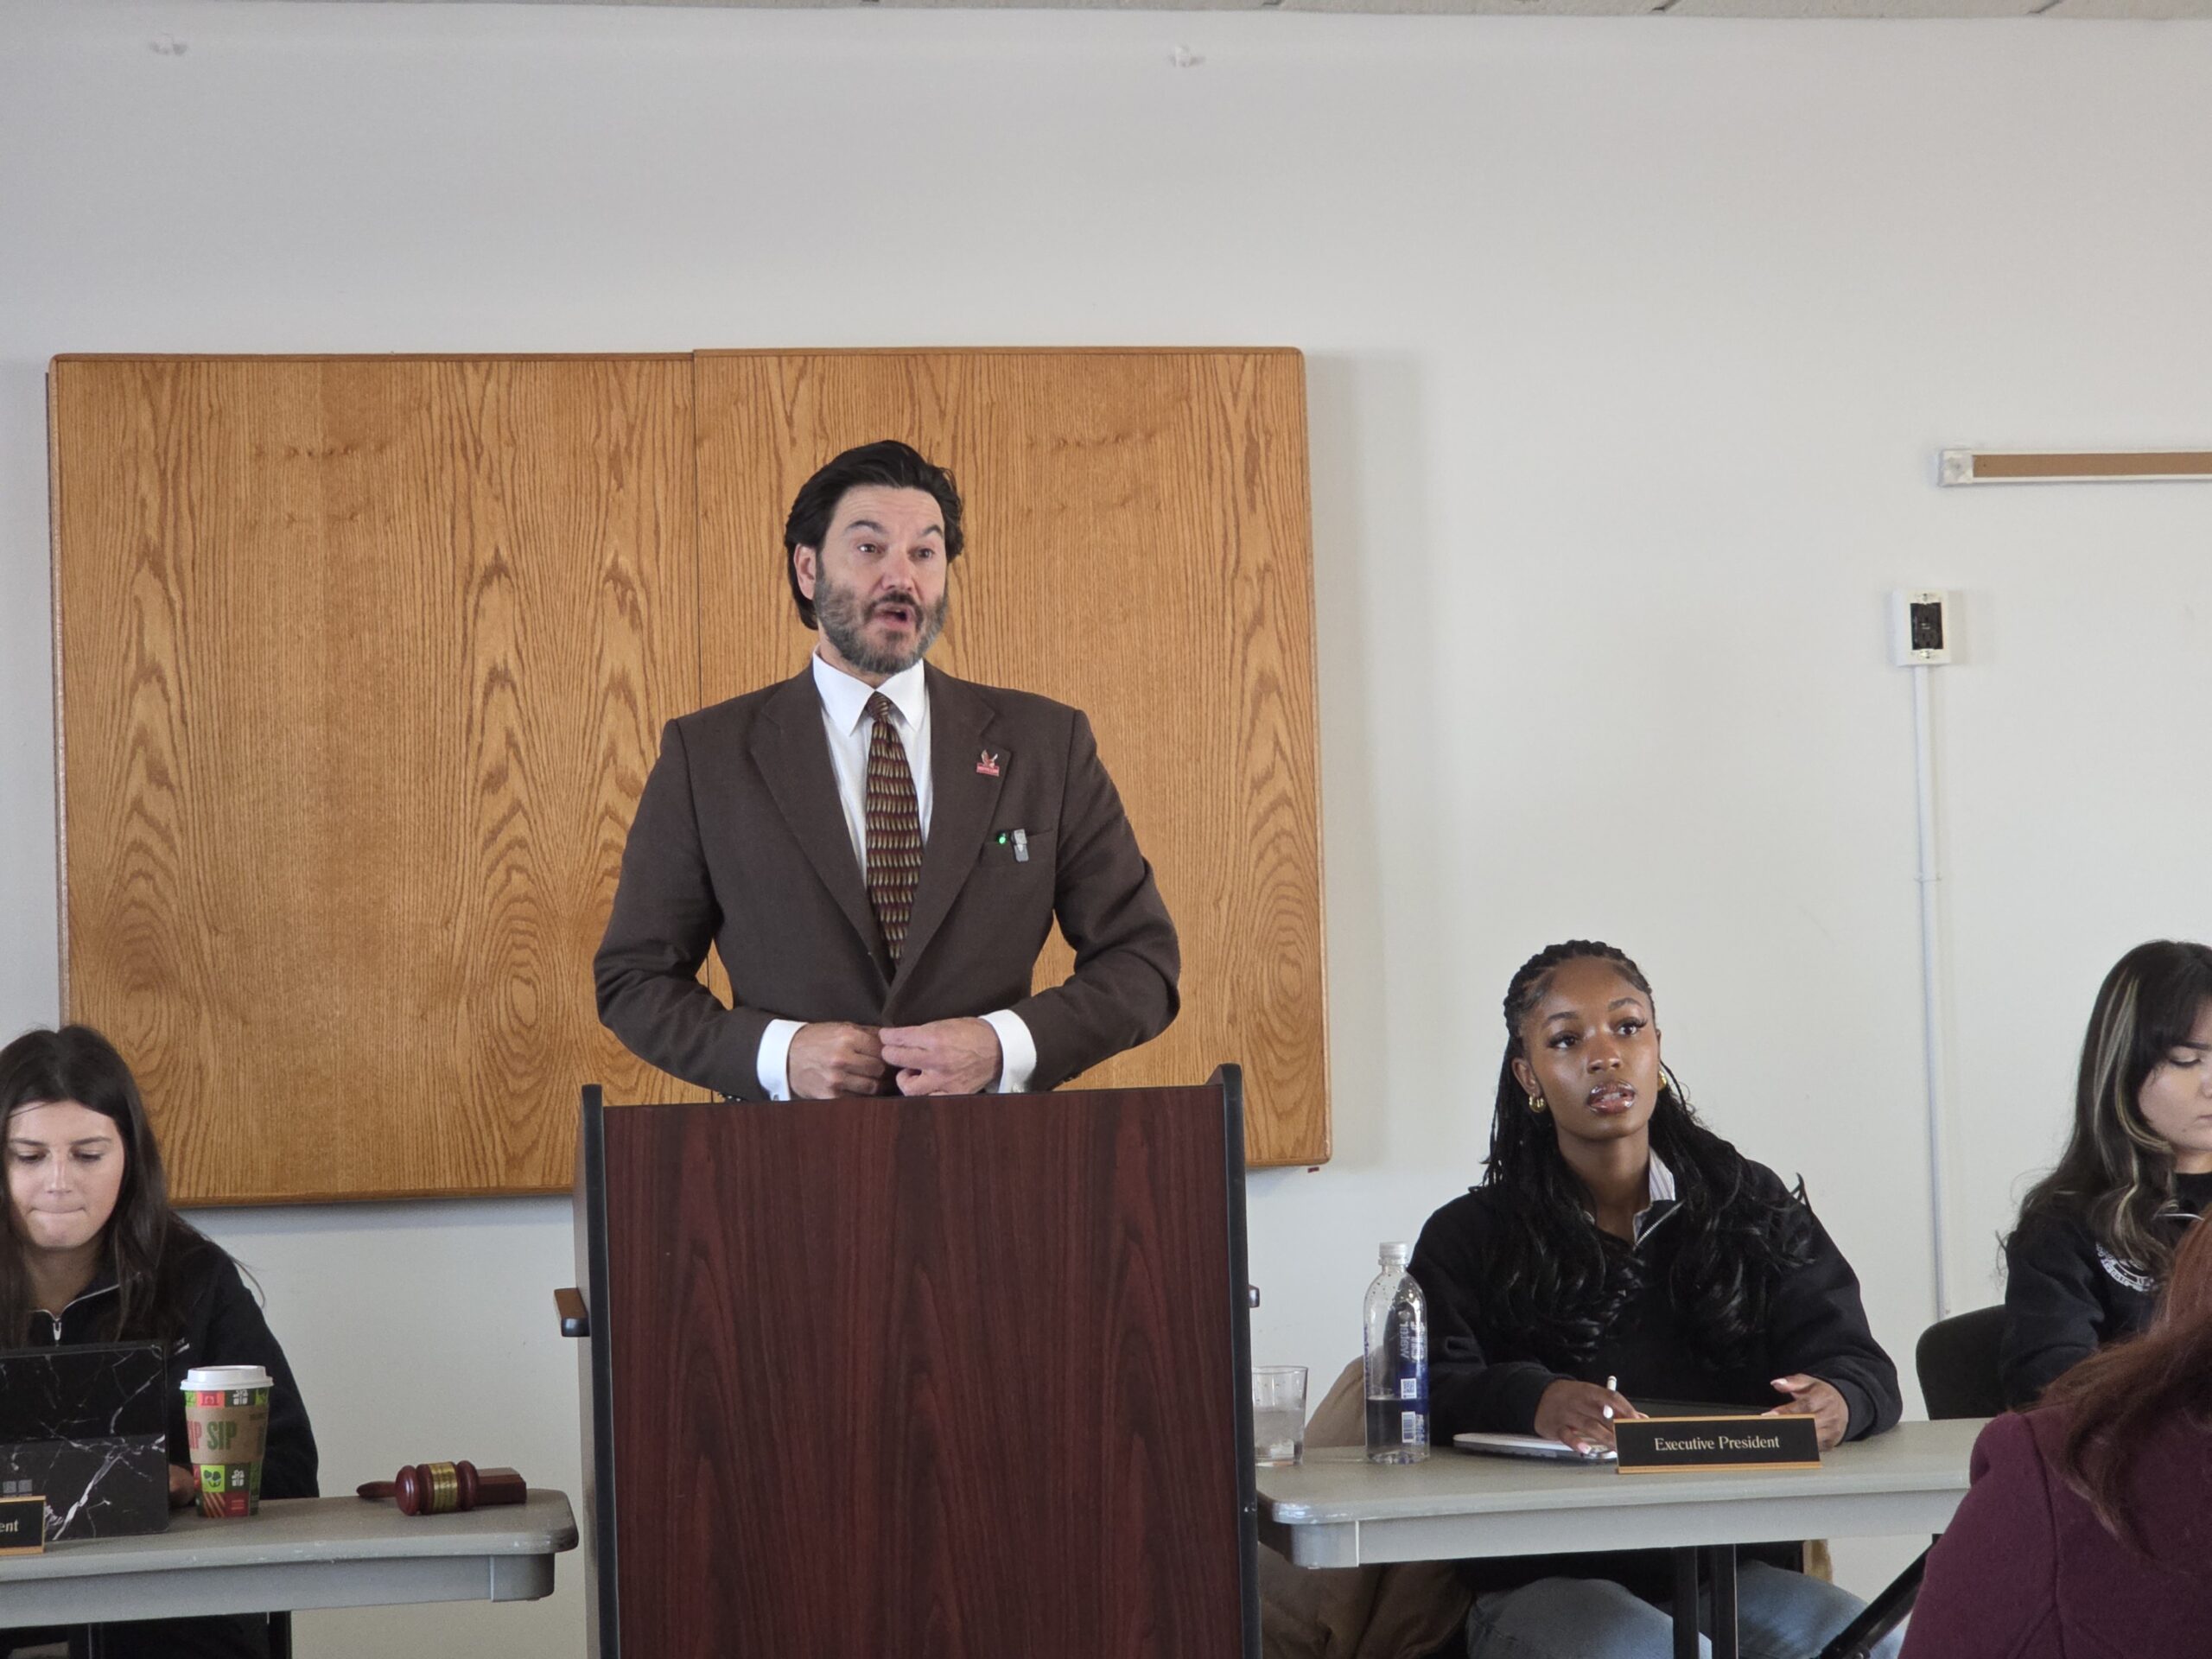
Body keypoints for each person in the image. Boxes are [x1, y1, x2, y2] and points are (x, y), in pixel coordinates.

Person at [595, 439, 1179, 1102]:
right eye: (871, 549)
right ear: (809, 569)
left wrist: (1000, 1047)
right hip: (777, 1172)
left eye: (924, 553)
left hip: (1003, 1163)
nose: (901, 578)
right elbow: (635, 979)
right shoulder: (710, 756)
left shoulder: (1046, 743)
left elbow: (1142, 965)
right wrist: (778, 1057)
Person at [1411, 940, 1903, 1659]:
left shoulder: (1748, 1204)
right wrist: (1536, 1399)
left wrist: (1840, 1399)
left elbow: (1860, 1362)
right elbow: (1422, 1394)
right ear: (1529, 1076)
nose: (1605, 1056)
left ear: (1658, 1048)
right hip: (1544, 1582)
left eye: (1628, 1027)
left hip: (1724, 1573)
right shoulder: (1469, 1235)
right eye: (1567, 1039)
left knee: (1875, 1645)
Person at [1, 1025, 317, 1659]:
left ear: (130, 1156)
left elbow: (289, 1473)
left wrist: (194, 1483)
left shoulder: (196, 1280)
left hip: (174, 1625)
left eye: (88, 1155)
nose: (59, 1181)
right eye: (29, 1156)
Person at [1903, 1213, 2212, 1656]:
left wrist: (1845, 1395)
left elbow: (1855, 1371)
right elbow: (2053, 1376)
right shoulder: (2064, 1228)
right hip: (2095, 1472)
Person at [1999, 938, 2212, 1408]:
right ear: (2123, 1065)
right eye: (2185, 1060)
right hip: (2140, 1466)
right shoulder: (2066, 1224)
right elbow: (2056, 1387)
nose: (2209, 1083)